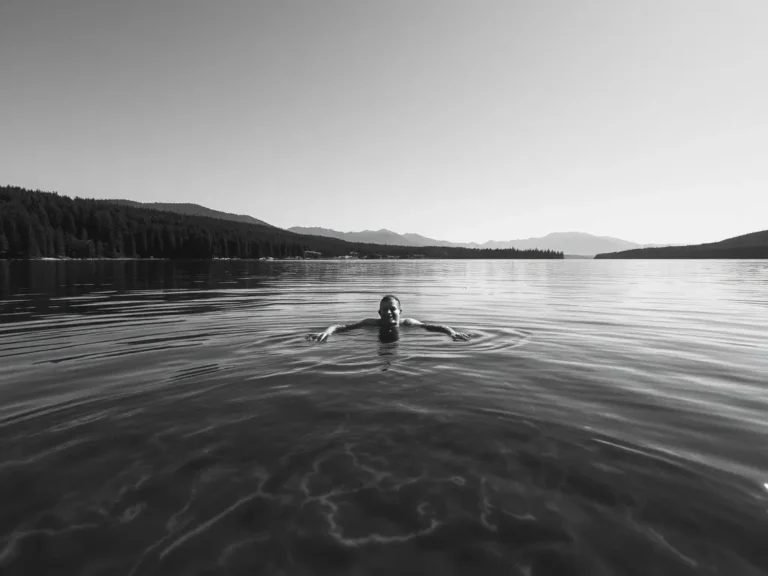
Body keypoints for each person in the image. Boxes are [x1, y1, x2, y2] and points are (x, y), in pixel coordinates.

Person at [308, 295, 471, 342]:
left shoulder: (408, 323)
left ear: (400, 311)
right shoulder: (370, 323)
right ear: (379, 313)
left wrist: (452, 333)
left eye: (392, 309)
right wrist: (327, 332)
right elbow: (341, 327)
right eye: (384, 310)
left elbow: (435, 327)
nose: (388, 312)